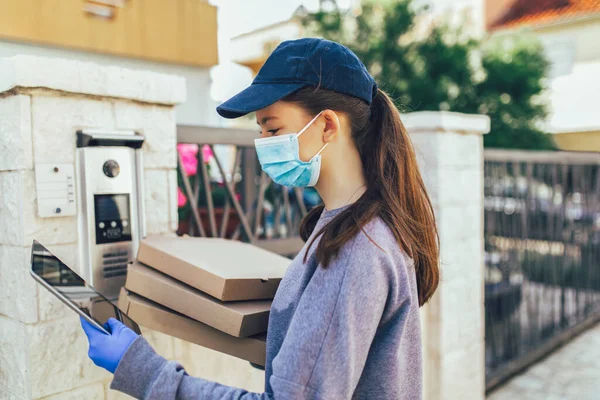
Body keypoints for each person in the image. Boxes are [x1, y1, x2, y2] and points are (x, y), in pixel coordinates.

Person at [80, 38, 440, 400]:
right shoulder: (360, 225)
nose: (263, 141)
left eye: (272, 128)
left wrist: (141, 369)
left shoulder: (354, 248)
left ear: (328, 125)